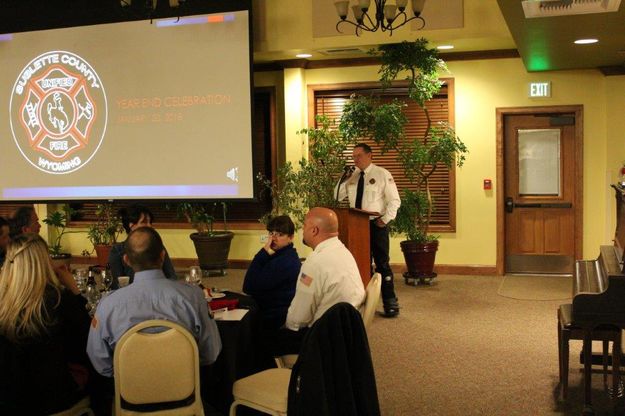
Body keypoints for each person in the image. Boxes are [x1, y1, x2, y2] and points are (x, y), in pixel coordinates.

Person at [87, 226, 221, 378]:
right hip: (185, 394)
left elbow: (99, 361)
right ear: (163, 255)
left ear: (126, 260)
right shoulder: (193, 296)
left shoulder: (108, 305)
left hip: (130, 396)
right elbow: (211, 353)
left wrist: (127, 375)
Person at [0, 234, 91, 414]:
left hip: (10, 401)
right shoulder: (58, 300)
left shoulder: (3, 305)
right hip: (56, 400)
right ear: (43, 262)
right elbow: (89, 338)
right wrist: (74, 290)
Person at [275, 207, 365, 355]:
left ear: (314, 230)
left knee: (262, 338)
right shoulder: (343, 251)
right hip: (348, 330)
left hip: (321, 339)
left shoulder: (314, 263)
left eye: (304, 226)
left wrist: (285, 325)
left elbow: (298, 320)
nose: (302, 230)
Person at [336, 143, 401, 317]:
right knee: (358, 264)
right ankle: (358, 302)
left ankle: (390, 301)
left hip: (375, 224)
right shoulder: (353, 176)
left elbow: (394, 201)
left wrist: (385, 220)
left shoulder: (382, 174)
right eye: (354, 156)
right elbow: (337, 195)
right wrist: (345, 178)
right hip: (356, 227)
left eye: (359, 156)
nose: (355, 159)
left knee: (382, 264)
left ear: (369, 155)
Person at [243, 215, 301, 330]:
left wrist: (263, 252)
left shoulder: (285, 262)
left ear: (291, 237)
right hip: (270, 309)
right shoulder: (281, 256)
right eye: (271, 233)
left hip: (272, 317)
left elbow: (248, 287)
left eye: (280, 234)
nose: (273, 238)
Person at [108, 204, 177, 288]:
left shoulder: (158, 246)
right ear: (131, 225)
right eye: (144, 222)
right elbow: (116, 285)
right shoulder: (118, 250)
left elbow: (172, 278)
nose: (149, 226)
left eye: (150, 222)